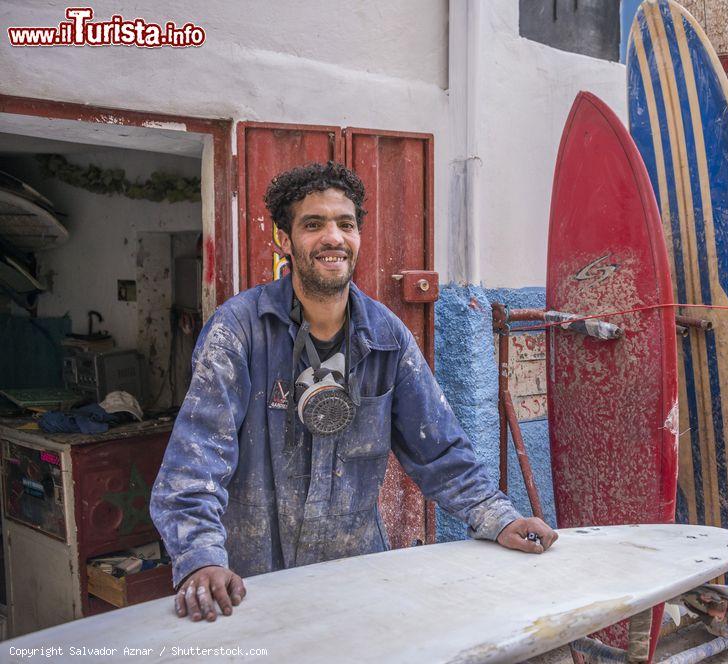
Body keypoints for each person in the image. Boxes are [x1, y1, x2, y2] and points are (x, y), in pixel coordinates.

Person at [150, 161, 557, 623]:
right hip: (251, 587)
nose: (333, 238)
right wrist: (202, 558)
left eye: (345, 224)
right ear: (283, 240)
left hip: (356, 580)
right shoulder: (238, 331)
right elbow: (195, 460)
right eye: (313, 224)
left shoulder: (388, 337)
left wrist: (498, 516)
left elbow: (440, 450)